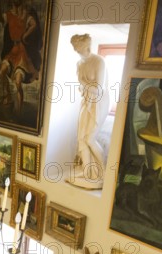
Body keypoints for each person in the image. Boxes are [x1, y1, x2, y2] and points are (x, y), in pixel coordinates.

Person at [70, 33, 109, 189]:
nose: (75, 50)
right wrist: (84, 87)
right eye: (74, 47)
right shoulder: (79, 63)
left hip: (99, 103)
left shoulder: (99, 61)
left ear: (85, 45)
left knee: (90, 139)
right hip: (86, 101)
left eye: (77, 46)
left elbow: (99, 90)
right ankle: (87, 173)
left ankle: (104, 172)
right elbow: (83, 87)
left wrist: (84, 85)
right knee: (81, 139)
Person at [0, 0, 43, 115]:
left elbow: (34, 25)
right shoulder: (8, 14)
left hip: (22, 51)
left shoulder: (27, 16)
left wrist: (25, 35)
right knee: (1, 71)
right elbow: (0, 20)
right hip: (12, 51)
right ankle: (8, 95)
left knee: (18, 82)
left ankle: (19, 109)